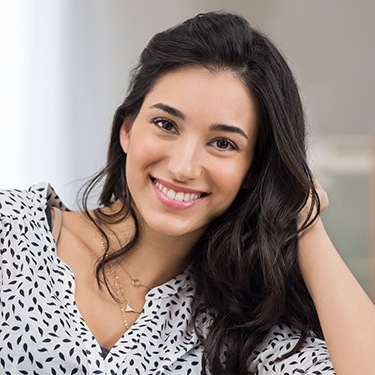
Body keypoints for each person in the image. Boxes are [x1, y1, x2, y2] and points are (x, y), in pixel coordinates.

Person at [0, 11, 374, 375]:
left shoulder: (246, 327)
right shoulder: (12, 230)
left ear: (253, 171)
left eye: (223, 143)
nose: (183, 167)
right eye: (166, 124)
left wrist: (305, 221)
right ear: (127, 130)